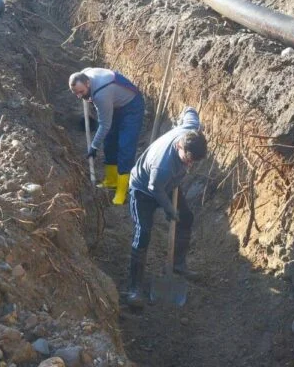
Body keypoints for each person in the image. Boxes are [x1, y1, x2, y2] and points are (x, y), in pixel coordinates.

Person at [125, 106, 207, 308]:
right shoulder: (163, 165)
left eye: (193, 162)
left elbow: (190, 111)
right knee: (143, 232)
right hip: (144, 189)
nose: (189, 166)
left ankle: (178, 265)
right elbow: (155, 188)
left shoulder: (189, 130)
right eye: (187, 160)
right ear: (179, 146)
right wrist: (169, 208)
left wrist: (188, 111)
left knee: (186, 218)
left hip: (168, 185)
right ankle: (134, 287)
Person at [69, 67, 145, 205]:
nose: (79, 96)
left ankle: (122, 190)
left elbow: (104, 125)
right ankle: (111, 180)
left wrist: (93, 146)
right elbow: (86, 70)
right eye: (76, 93)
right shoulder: (84, 75)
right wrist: (83, 93)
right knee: (109, 142)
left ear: (88, 83)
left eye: (81, 92)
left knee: (125, 146)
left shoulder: (101, 95)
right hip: (115, 104)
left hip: (131, 106)